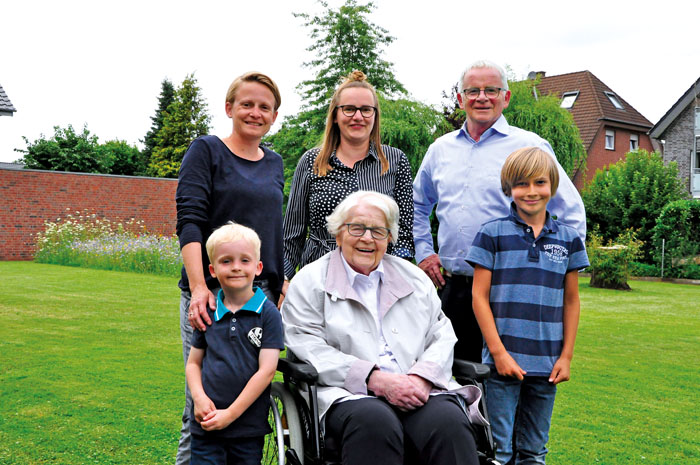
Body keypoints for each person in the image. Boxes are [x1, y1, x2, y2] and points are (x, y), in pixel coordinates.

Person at [282, 190, 487, 465]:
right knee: (374, 421)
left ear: (389, 238)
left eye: (378, 231)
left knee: (448, 422)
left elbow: (441, 334)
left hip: (416, 387)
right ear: (338, 233)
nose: (367, 238)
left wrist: (422, 378)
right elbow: (306, 344)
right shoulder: (310, 281)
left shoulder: (414, 277)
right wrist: (372, 379)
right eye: (357, 228)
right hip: (347, 394)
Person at [412, 59, 586, 363]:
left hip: (510, 293)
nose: (482, 97)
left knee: (507, 380)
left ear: (505, 98)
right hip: (453, 289)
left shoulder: (529, 146)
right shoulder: (440, 150)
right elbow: (417, 205)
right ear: (460, 98)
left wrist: (559, 269)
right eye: (473, 91)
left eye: (491, 90)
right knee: (447, 377)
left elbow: (569, 210)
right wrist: (425, 252)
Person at [175, 71, 284, 465]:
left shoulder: (274, 163)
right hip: (211, 294)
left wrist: (280, 278)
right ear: (229, 108)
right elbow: (189, 220)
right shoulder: (206, 151)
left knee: (250, 401)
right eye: (247, 104)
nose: (255, 112)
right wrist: (199, 287)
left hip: (262, 295)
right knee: (202, 407)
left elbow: (275, 228)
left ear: (274, 117)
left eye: (264, 107)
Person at [466, 147, 589, 464]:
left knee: (534, 451)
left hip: (547, 366)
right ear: (509, 188)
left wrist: (566, 356)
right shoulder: (491, 234)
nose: (531, 191)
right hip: (502, 364)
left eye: (539, 182)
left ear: (552, 186)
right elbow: (479, 297)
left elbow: (571, 300)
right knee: (499, 451)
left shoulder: (569, 239)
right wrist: (499, 353)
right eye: (521, 184)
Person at [282, 70, 414, 301]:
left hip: (376, 278)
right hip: (319, 278)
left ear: (375, 115)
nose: (358, 116)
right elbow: (293, 233)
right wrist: (284, 280)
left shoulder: (395, 161)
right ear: (335, 115)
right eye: (349, 109)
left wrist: (397, 277)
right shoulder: (312, 162)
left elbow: (403, 232)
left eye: (366, 110)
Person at [186, 223, 284, 465]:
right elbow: (193, 364)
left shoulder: (268, 314)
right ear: (212, 269)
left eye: (245, 260)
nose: (236, 267)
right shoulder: (208, 312)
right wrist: (198, 398)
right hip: (206, 424)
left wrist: (230, 414)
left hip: (247, 429)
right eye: (226, 261)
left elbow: (267, 371)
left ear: (258, 267)